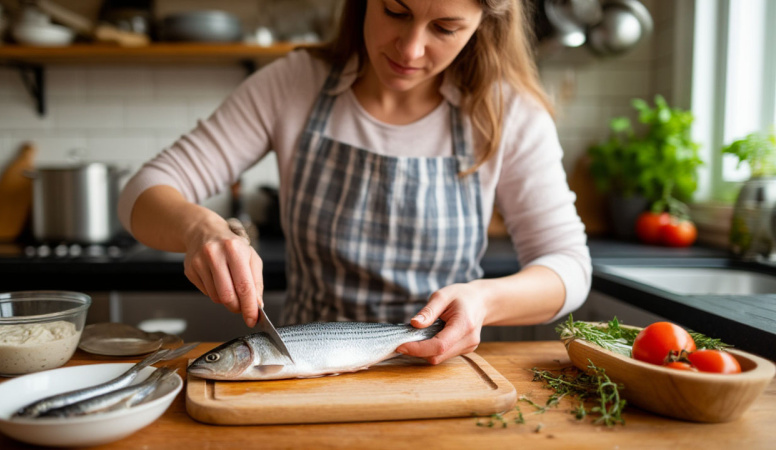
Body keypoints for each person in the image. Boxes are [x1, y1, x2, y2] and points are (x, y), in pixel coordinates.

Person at [117, 0, 591, 365]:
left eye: (445, 28)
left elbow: (569, 266)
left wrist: (485, 300)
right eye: (395, 11)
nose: (410, 49)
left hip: (434, 376)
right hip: (305, 371)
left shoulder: (508, 113)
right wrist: (201, 229)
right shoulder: (293, 83)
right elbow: (144, 190)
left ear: (483, 24)